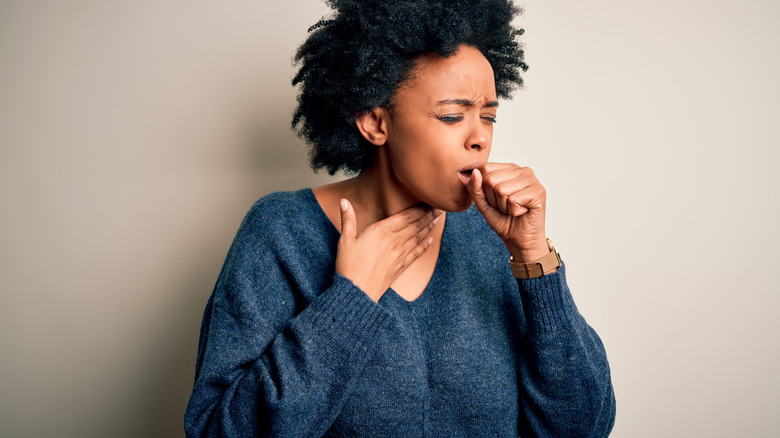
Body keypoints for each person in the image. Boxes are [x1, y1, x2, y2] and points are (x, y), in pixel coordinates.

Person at [184, 0, 616, 436]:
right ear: (375, 121)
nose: (480, 137)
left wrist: (534, 257)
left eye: (488, 116)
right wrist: (351, 300)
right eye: (452, 115)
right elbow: (216, 430)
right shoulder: (282, 233)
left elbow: (582, 427)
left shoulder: (495, 238)